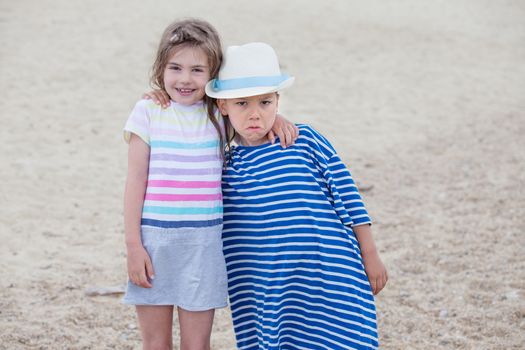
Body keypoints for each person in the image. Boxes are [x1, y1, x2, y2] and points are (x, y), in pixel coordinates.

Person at [122, 20, 297, 350]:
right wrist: (133, 246)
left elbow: (253, 112)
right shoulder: (147, 111)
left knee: (197, 344)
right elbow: (135, 180)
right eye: (175, 68)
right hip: (154, 244)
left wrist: (279, 118)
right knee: (155, 343)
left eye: (197, 70)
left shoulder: (219, 114)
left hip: (204, 247)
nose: (185, 79)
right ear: (160, 68)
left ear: (213, 76)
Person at [206, 42, 388, 350]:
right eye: (242, 104)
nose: (255, 114)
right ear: (222, 106)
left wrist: (369, 254)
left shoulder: (303, 141)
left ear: (278, 101)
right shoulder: (222, 163)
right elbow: (187, 119)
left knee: (340, 338)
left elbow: (348, 195)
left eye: (265, 103)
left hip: (328, 273)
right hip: (267, 286)